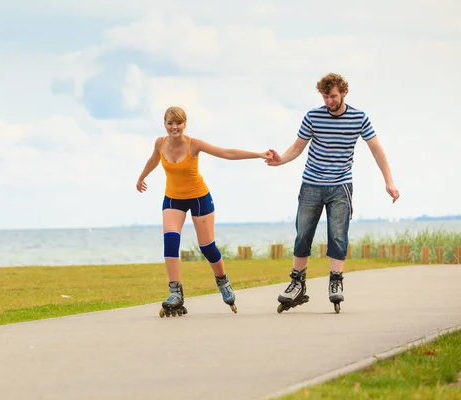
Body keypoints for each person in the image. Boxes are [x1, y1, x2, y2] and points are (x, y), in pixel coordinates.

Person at [266, 73, 400, 313]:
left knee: (338, 235)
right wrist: (280, 160)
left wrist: (389, 182)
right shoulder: (313, 116)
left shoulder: (359, 118)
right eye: (326, 97)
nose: (329, 101)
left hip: (341, 185)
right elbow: (297, 147)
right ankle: (297, 283)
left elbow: (377, 150)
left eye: (333, 96)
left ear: (344, 93)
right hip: (311, 183)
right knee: (303, 234)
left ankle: (336, 281)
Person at [136, 106, 273, 317]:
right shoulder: (159, 143)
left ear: (184, 124)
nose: (174, 127)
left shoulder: (194, 144)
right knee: (170, 241)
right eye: (170, 123)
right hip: (173, 198)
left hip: (199, 198)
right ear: (164, 124)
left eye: (178, 123)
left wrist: (258, 154)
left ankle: (223, 281)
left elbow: (226, 153)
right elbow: (154, 158)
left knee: (207, 247)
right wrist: (142, 176)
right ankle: (175, 292)